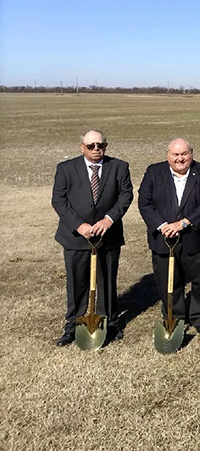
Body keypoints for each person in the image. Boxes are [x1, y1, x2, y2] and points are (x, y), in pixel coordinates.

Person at [51, 130, 133, 346]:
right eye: (91, 146)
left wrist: (108, 219)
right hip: (76, 238)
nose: (97, 149)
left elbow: (126, 195)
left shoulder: (119, 167)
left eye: (101, 145)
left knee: (106, 282)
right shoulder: (66, 169)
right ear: (81, 147)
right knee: (77, 283)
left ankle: (109, 322)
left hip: (108, 236)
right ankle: (73, 325)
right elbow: (59, 201)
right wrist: (80, 226)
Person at [138, 138, 200, 334]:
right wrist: (163, 225)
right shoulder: (153, 172)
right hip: (164, 237)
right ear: (168, 156)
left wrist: (183, 223)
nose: (180, 159)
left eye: (184, 154)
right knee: (169, 280)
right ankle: (175, 316)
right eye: (176, 155)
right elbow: (145, 203)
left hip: (197, 237)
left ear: (191, 153)